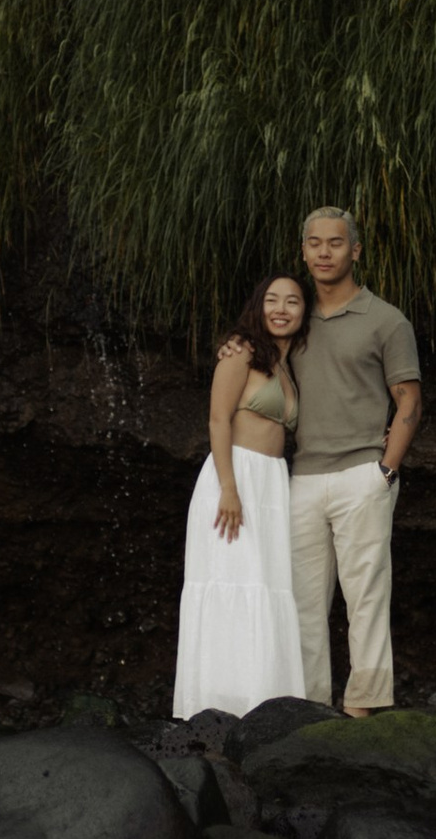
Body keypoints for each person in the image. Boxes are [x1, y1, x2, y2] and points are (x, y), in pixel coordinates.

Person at [289, 206, 421, 716]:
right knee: (302, 604)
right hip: (301, 478)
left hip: (362, 475)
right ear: (304, 251)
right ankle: (308, 705)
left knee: (365, 598)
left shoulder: (386, 320)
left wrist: (384, 471)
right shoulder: (291, 318)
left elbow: (408, 398)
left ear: (356, 251)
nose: (325, 252)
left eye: (336, 243)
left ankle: (363, 705)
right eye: (315, 243)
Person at [171, 273, 310, 721]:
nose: (281, 309)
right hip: (235, 479)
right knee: (230, 585)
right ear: (257, 306)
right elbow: (217, 420)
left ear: (304, 312)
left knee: (267, 588)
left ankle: (264, 707)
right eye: (272, 299)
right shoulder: (241, 351)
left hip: (272, 484)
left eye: (292, 301)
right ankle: (215, 709)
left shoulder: (289, 366)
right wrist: (229, 489)